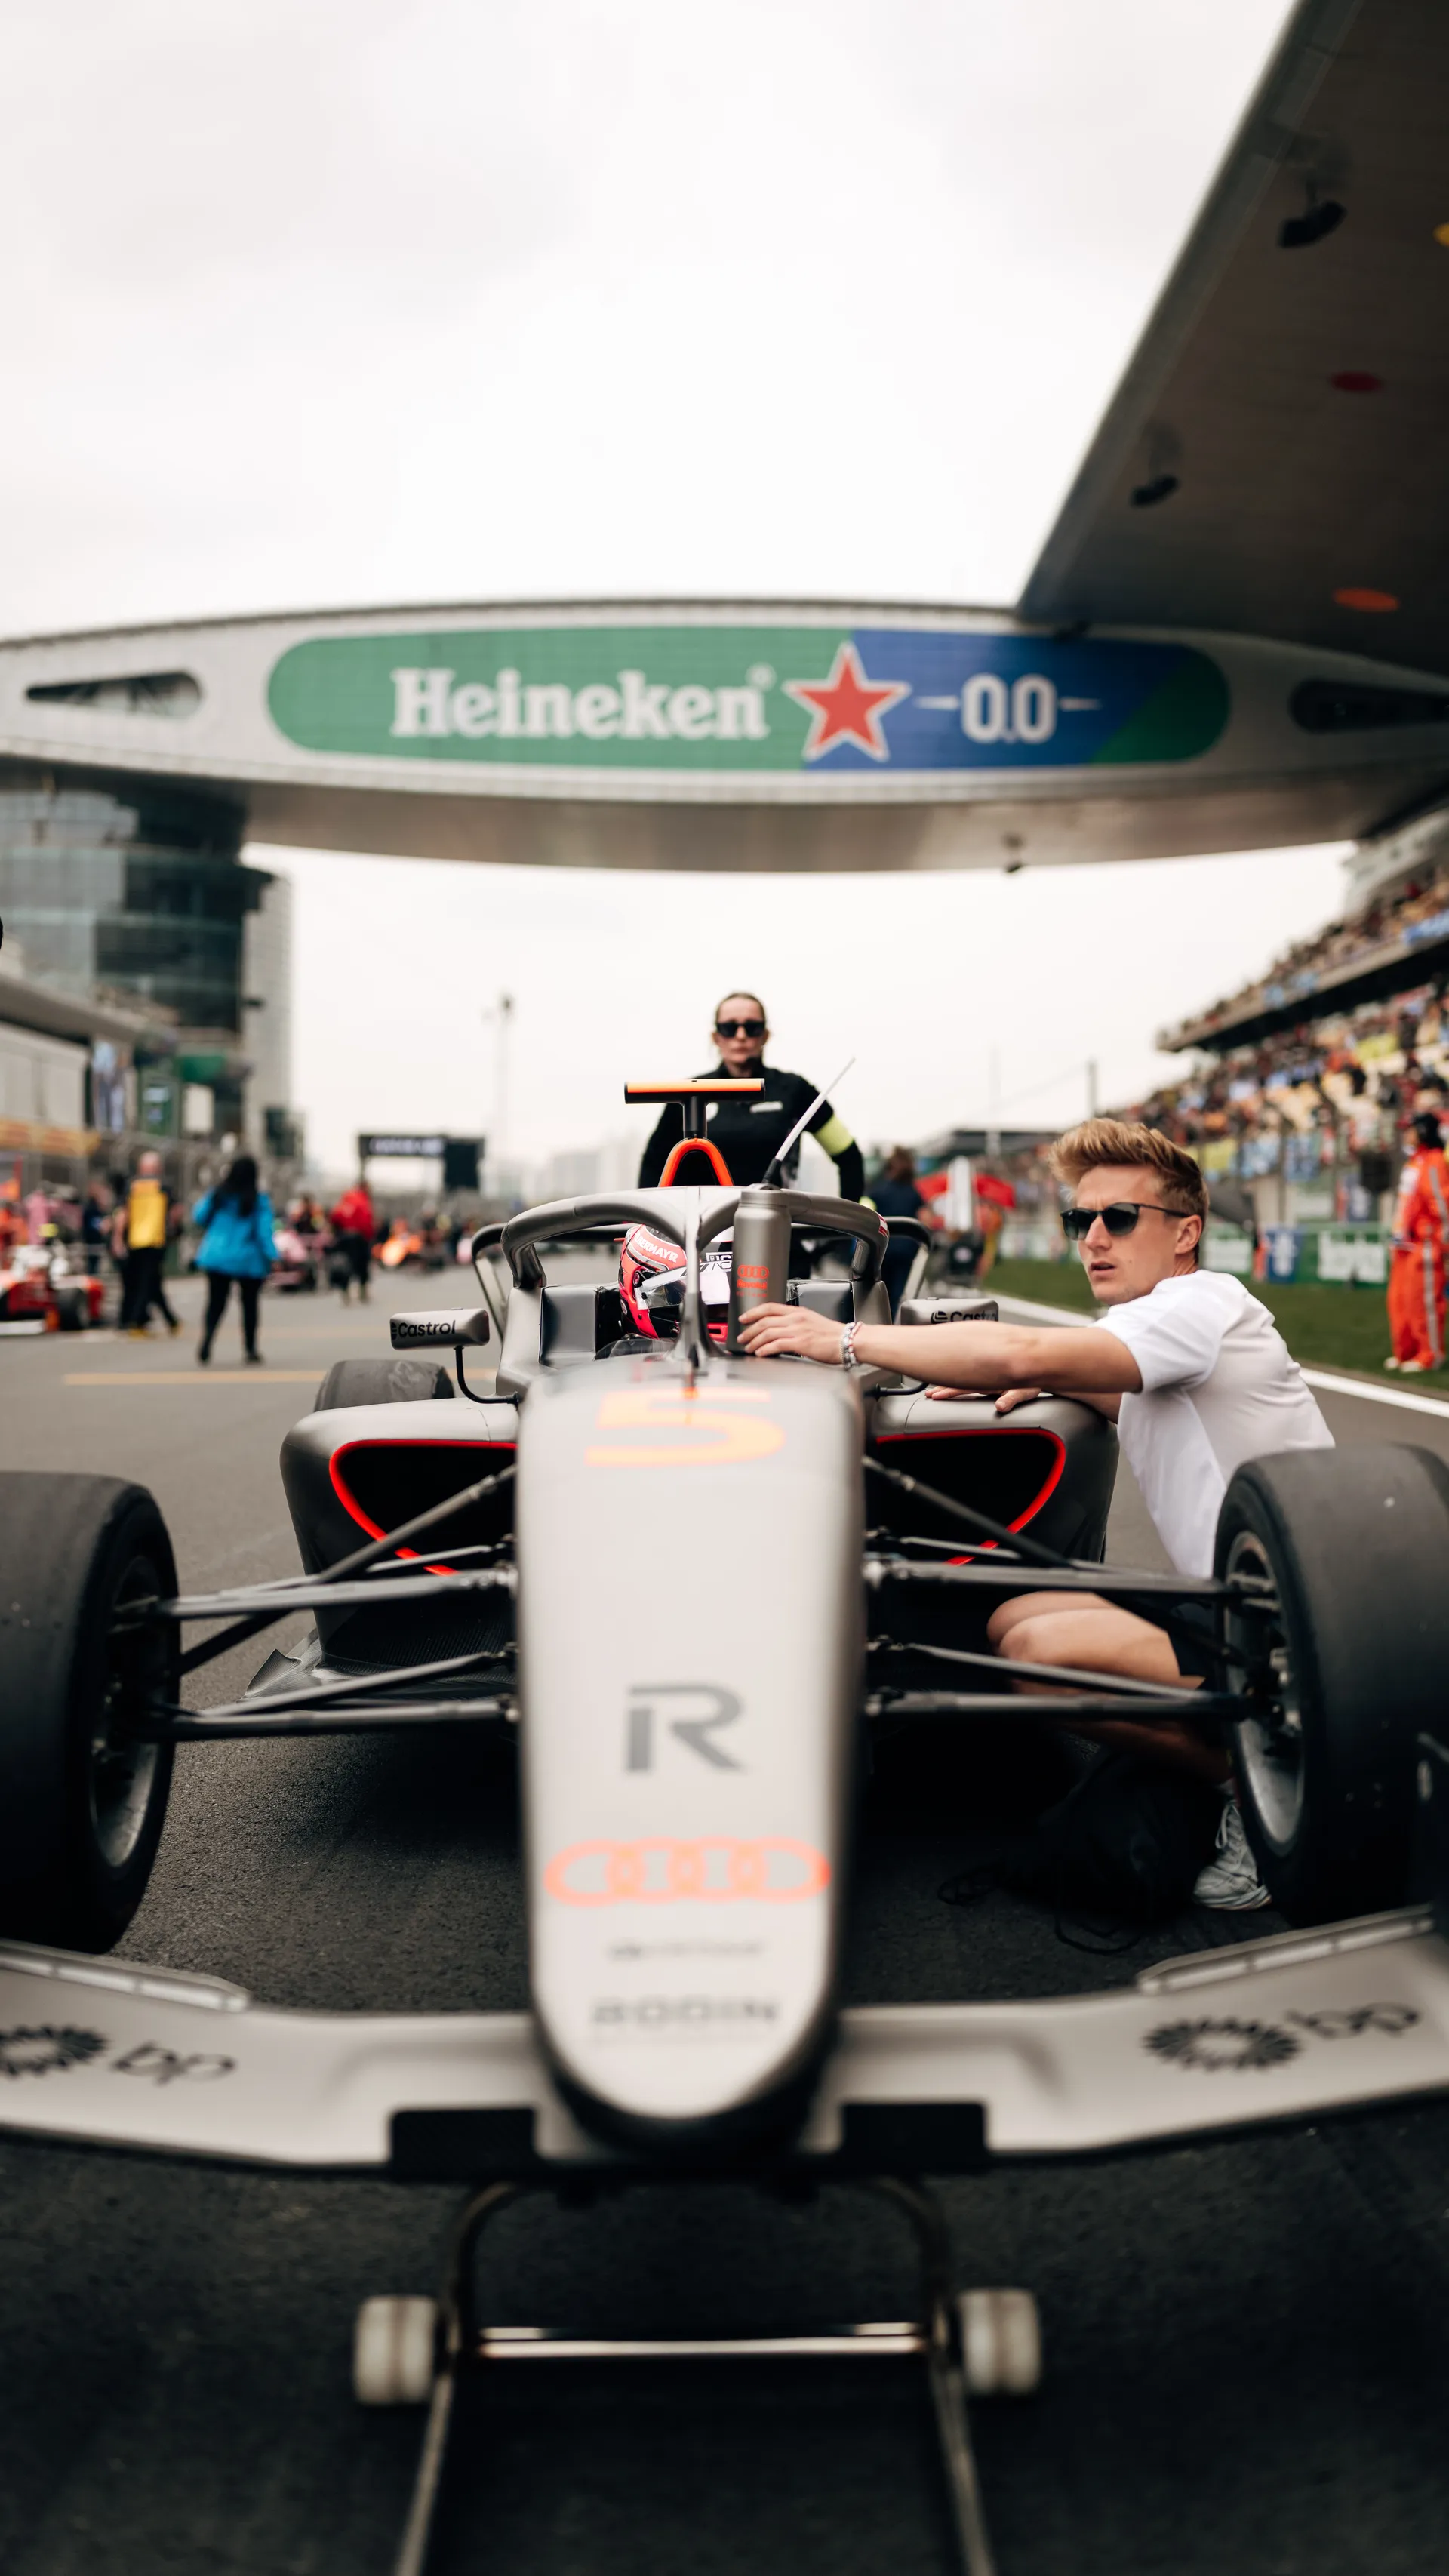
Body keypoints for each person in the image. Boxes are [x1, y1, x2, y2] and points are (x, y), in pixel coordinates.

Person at [740, 1117, 1334, 1909]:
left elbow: (1021, 1349)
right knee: (1018, 1618)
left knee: (1036, 1655)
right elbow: (1134, 1398)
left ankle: (1258, 1790)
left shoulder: (1197, 1302)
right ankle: (1240, 1752)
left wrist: (844, 1338)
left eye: (1118, 1217)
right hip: (1260, 1604)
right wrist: (1057, 1382)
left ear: (1186, 1231)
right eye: (1078, 1219)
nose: (1093, 1237)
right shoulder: (1171, 1328)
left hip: (1304, 1632)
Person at [638, 991, 866, 1199]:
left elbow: (848, 1155)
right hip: (699, 1234)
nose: (740, 1035)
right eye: (729, 1028)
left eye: (752, 1027)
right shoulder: (688, 1093)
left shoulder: (795, 1090)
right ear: (716, 1037)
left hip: (774, 1229)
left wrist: (844, 1232)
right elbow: (653, 1165)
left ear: (765, 1035)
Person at [192, 1154, 276, 1365]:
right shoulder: (257, 1200)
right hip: (246, 1259)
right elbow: (263, 1232)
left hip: (216, 1256)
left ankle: (206, 1343)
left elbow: (199, 1217)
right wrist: (274, 1256)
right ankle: (250, 1349)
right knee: (249, 1304)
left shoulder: (217, 1195)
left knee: (215, 1303)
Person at [1386, 1109, 1449, 1372]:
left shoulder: (1434, 1162)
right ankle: (1406, 1351)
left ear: (1423, 1131)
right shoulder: (1414, 1162)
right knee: (1400, 1301)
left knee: (1424, 1304)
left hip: (1424, 1245)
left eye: (1410, 1128)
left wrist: (1441, 1244)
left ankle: (1430, 1354)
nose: (1406, 1134)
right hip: (1404, 1245)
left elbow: (1442, 1205)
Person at [118, 1150, 181, 1337]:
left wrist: (117, 1239)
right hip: (155, 1240)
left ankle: (169, 1320)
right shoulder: (163, 1187)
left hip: (135, 1240)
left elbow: (123, 1214)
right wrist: (174, 1230)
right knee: (149, 1282)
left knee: (147, 1281)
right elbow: (176, 1212)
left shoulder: (132, 1186)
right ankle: (139, 1319)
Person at [872, 1147, 931, 1313]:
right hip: (906, 1249)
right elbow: (926, 1218)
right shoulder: (914, 1193)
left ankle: (880, 1322)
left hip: (882, 1248)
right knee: (900, 1292)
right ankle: (895, 1322)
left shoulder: (879, 1191)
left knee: (880, 1290)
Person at [328, 1177, 375, 1300]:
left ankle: (345, 1290)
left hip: (343, 1237)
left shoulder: (344, 1201)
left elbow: (334, 1218)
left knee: (345, 1265)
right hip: (359, 1238)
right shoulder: (362, 1201)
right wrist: (369, 1236)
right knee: (362, 1265)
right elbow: (366, 1221)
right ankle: (362, 1290)